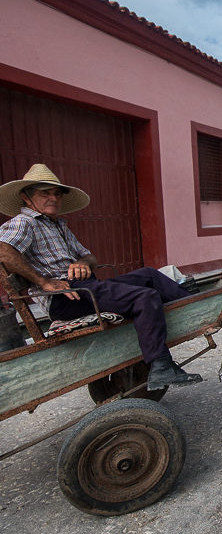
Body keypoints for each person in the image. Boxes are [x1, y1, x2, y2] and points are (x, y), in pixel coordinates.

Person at [0, 163, 202, 390]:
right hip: (66, 298)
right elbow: (3, 250)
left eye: (56, 193)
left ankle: (197, 309)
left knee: (148, 275)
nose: (53, 198)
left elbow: (90, 257)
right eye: (44, 193)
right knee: (144, 297)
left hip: (85, 287)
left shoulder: (57, 225)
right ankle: (161, 367)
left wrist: (82, 263)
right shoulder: (24, 222)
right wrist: (44, 282)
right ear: (27, 198)